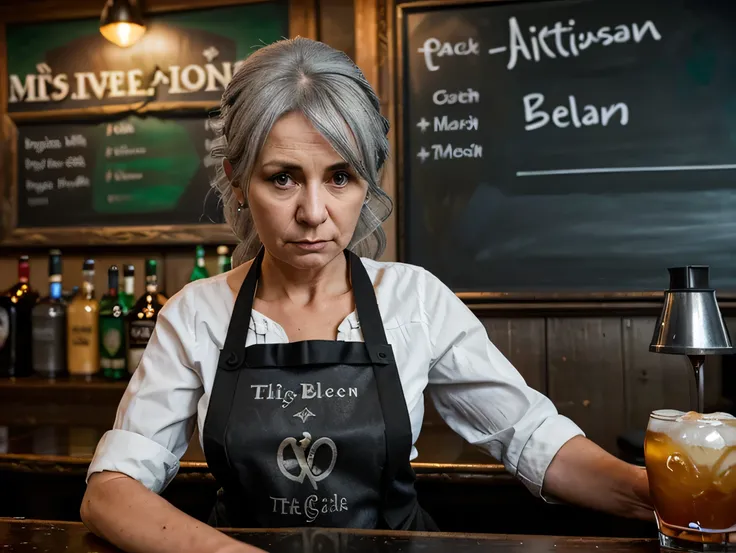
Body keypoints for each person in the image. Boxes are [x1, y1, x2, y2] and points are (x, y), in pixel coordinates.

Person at [80, 38, 652, 553]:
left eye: (339, 177)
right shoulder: (196, 314)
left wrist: (659, 494)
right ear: (237, 179)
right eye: (282, 177)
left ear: (367, 180)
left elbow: (531, 439)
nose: (312, 213)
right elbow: (110, 492)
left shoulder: (414, 300)